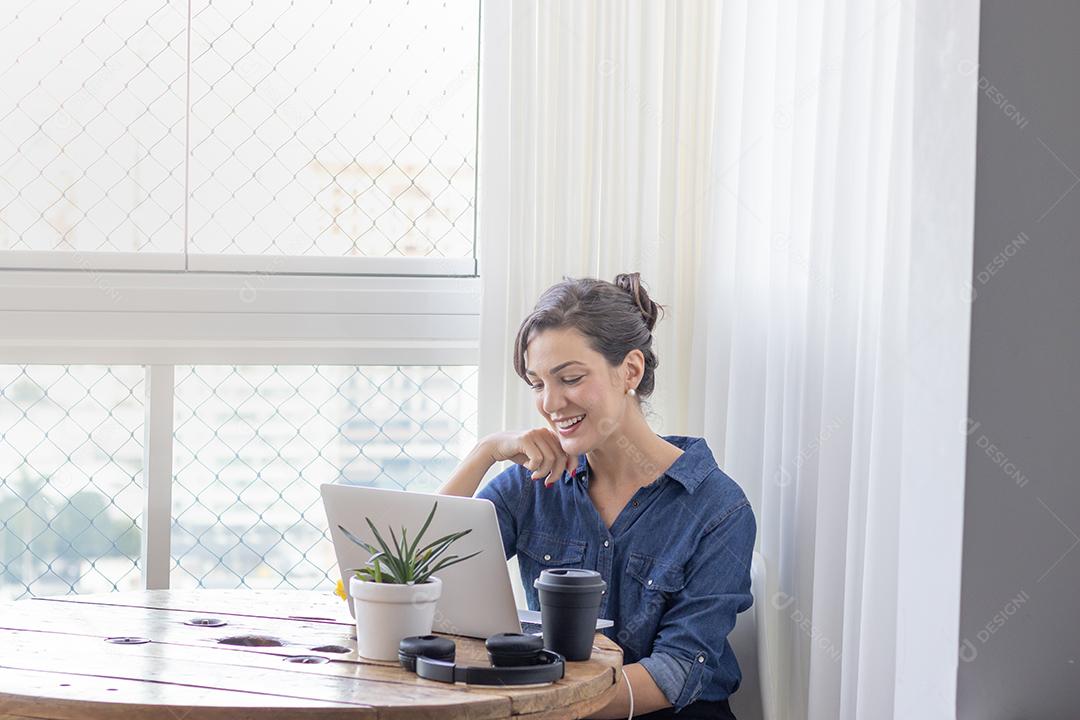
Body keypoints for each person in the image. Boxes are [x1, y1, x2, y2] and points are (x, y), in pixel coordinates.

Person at [439, 273, 755, 719]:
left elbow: (676, 671)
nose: (550, 403)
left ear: (630, 370)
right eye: (537, 383)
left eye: (569, 378)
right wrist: (484, 452)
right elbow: (415, 576)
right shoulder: (531, 483)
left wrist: (544, 706)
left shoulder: (718, 509)